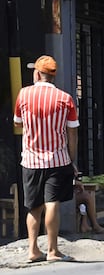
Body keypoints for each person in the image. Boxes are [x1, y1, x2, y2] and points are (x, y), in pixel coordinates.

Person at [13, 55, 79, 263]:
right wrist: (71, 158)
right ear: (53, 75)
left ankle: (33, 250)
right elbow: (72, 132)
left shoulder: (24, 94)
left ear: (37, 73)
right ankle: (53, 250)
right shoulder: (65, 98)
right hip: (57, 160)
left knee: (34, 207)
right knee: (52, 203)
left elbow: (17, 123)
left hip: (30, 160)